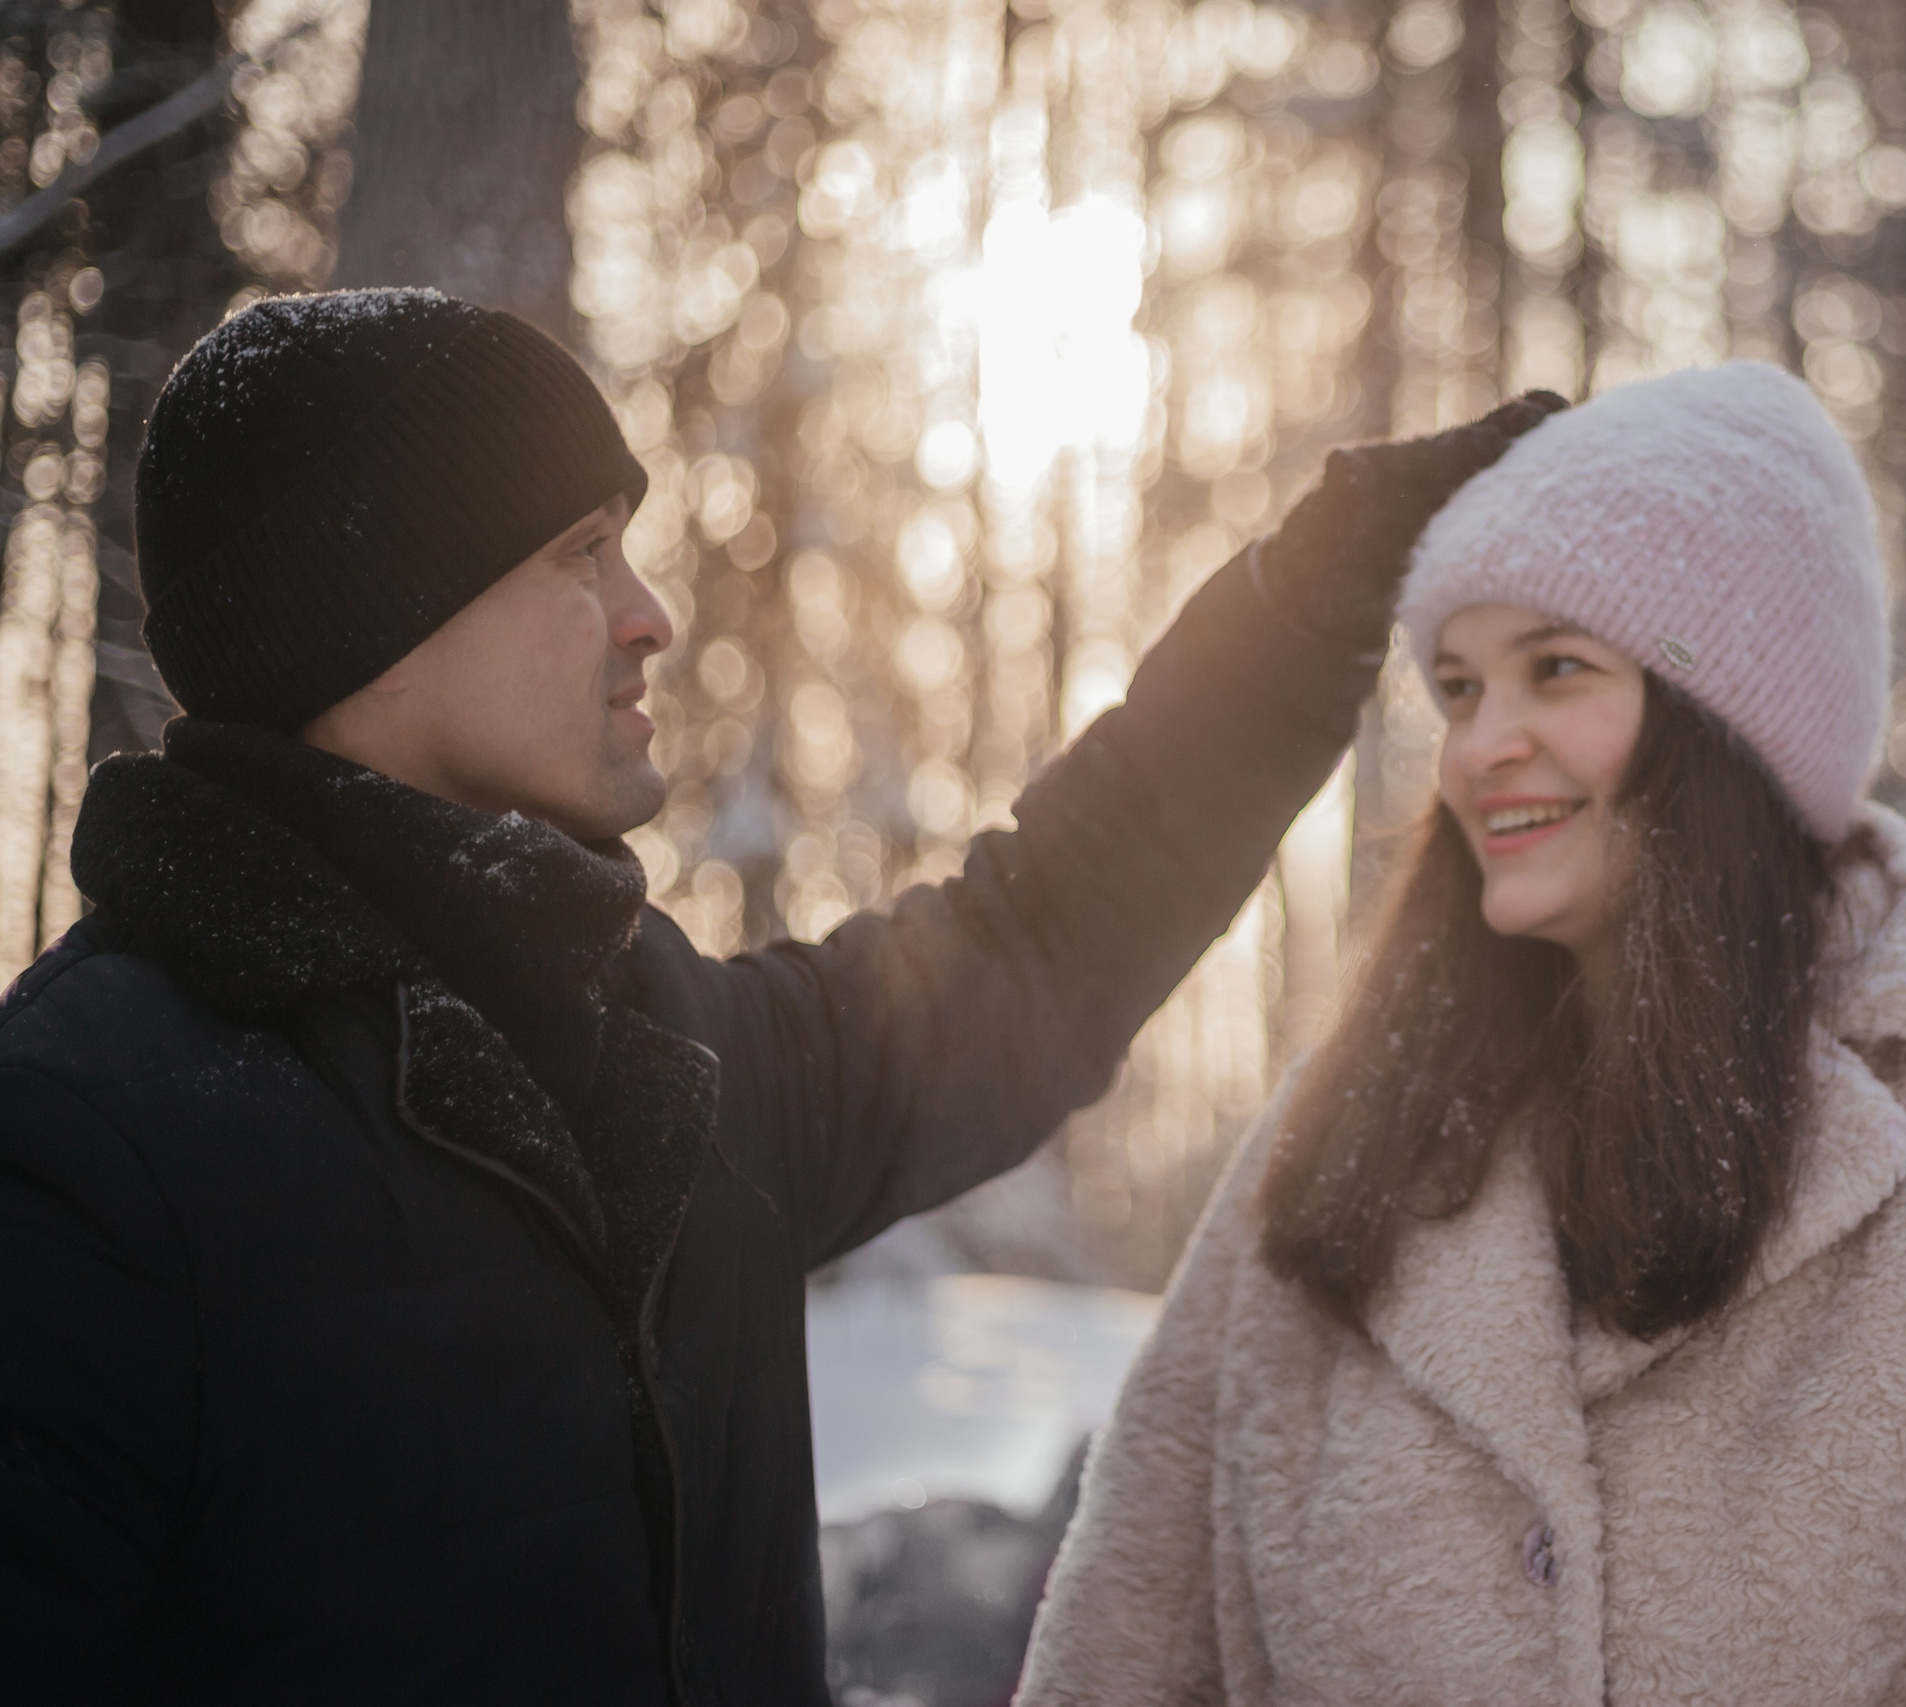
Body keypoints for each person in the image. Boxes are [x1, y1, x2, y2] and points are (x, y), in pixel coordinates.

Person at [0, 286, 1563, 1705]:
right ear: (376, 623)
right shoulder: (85, 1146)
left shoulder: (662, 1056)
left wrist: (1314, 596)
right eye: (576, 551)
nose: (648, 614)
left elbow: (1040, 941)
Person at [1018, 362, 1906, 1706]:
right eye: (1456, 687)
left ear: (1731, 725)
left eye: (1556, 670)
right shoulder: (1332, 1151)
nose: (1481, 745)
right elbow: (1121, 1652)